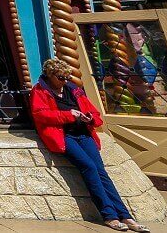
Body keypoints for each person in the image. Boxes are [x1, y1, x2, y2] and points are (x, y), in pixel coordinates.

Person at [31, 58, 149, 232]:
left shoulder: (74, 90)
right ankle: (109, 216)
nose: (65, 81)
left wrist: (90, 118)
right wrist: (68, 115)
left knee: (101, 171)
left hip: (84, 135)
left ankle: (126, 216)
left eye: (67, 77)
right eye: (61, 78)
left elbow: (95, 114)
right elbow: (40, 114)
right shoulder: (40, 91)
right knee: (89, 167)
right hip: (65, 136)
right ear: (50, 75)